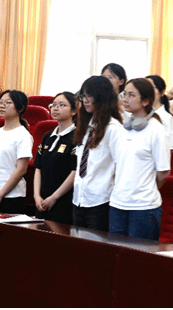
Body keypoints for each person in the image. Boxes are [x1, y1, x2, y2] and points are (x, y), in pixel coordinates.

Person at [109, 78, 170, 240]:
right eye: (124, 94)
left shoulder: (157, 130)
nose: (125, 99)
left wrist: (145, 188)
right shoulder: (123, 127)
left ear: (145, 101)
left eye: (131, 95)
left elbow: (163, 173)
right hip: (117, 203)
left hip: (144, 207)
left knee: (138, 254)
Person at [72, 76, 123, 231]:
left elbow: (120, 165)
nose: (85, 101)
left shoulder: (113, 128)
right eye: (83, 96)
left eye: (90, 96)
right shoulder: (85, 126)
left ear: (102, 98)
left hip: (101, 200)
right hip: (79, 198)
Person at [0, 90, 33, 214]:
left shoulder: (23, 135)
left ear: (21, 108)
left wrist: (0, 195)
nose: (2, 105)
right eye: (0, 102)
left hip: (11, 196)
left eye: (8, 103)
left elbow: (21, 170)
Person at [33, 92, 78, 224]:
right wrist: (36, 196)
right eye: (53, 105)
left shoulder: (77, 136)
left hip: (63, 200)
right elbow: (38, 167)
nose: (55, 108)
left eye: (61, 105)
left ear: (74, 111)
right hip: (41, 201)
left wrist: (54, 197)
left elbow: (74, 172)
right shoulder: (47, 136)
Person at [146, 74, 173, 150]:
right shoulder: (138, 114)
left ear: (162, 92)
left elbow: (170, 147)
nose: (147, 91)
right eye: (145, 88)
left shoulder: (167, 118)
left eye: (151, 88)